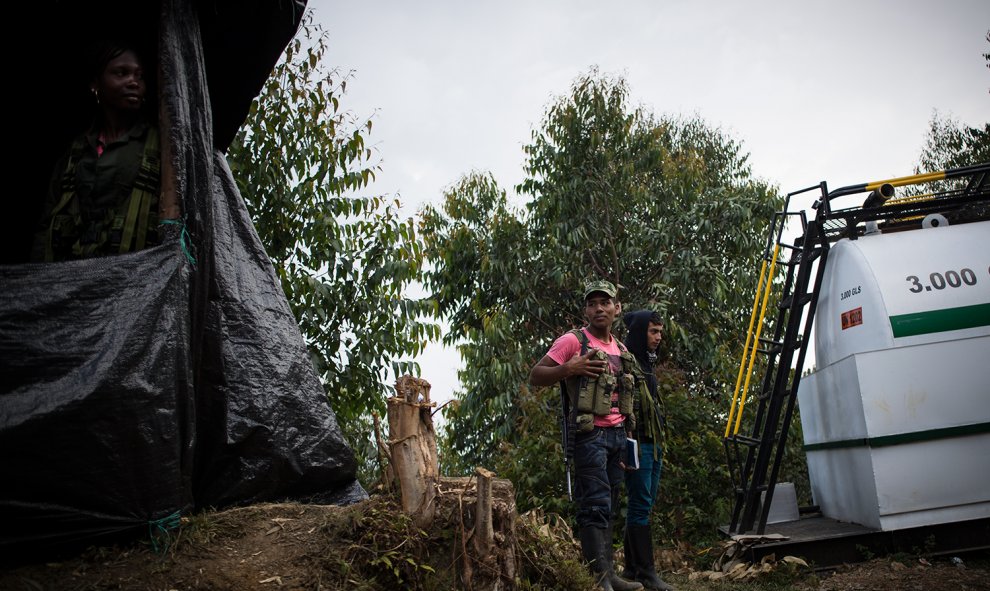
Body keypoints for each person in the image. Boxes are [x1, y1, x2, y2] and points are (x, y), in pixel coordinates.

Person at [529, 280, 643, 591]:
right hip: (589, 436)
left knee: (610, 503)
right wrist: (569, 368)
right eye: (592, 303)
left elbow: (626, 399)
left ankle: (610, 576)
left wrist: (630, 444)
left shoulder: (621, 348)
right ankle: (600, 580)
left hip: (618, 437)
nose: (598, 308)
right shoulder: (572, 341)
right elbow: (536, 375)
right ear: (585, 310)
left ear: (616, 308)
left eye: (604, 302)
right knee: (593, 505)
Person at [31, 40, 171, 262]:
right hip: (73, 278)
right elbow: (45, 226)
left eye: (139, 76)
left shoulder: (159, 147)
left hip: (135, 281)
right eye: (121, 73)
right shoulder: (76, 152)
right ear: (96, 83)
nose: (133, 82)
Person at [622, 310, 674, 590]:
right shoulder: (626, 363)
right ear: (641, 332)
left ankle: (631, 569)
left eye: (660, 332)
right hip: (637, 444)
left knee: (644, 504)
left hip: (654, 443)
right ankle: (646, 572)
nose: (658, 337)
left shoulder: (646, 363)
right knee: (640, 505)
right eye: (653, 331)